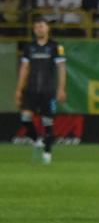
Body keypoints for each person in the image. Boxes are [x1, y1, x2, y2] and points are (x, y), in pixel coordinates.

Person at [16, 15, 67, 164]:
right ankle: (37, 140)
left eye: (42, 26)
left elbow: (61, 68)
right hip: (31, 90)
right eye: (37, 27)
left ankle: (47, 154)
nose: (39, 29)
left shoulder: (56, 47)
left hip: (48, 91)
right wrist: (19, 89)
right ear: (34, 29)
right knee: (25, 118)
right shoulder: (29, 47)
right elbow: (24, 68)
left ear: (47, 28)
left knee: (47, 123)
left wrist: (61, 88)